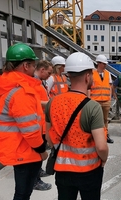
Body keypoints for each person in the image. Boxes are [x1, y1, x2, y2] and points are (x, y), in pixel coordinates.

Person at [45, 52, 108, 200]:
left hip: (62, 170)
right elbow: (101, 147)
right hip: (89, 171)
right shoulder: (92, 107)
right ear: (87, 77)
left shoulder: (52, 103)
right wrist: (103, 159)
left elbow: (48, 137)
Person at [0, 43, 48, 200]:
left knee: (22, 191)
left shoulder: (5, 85)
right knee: (23, 193)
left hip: (14, 146)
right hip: (25, 150)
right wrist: (42, 150)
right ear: (25, 65)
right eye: (33, 64)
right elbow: (30, 129)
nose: (34, 68)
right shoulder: (21, 92)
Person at [33, 60, 53, 191]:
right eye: (48, 72)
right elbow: (35, 101)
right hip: (36, 124)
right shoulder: (33, 83)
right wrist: (51, 103)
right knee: (36, 153)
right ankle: (35, 180)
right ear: (42, 70)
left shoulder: (39, 82)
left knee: (38, 153)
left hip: (40, 123)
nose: (49, 76)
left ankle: (38, 172)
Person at [88, 54, 114, 144]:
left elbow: (110, 86)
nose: (105, 65)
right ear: (98, 63)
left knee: (105, 120)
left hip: (106, 101)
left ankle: (106, 136)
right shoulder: (92, 73)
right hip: (95, 101)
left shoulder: (108, 74)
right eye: (104, 64)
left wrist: (110, 98)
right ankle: (94, 137)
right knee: (94, 120)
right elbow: (89, 87)